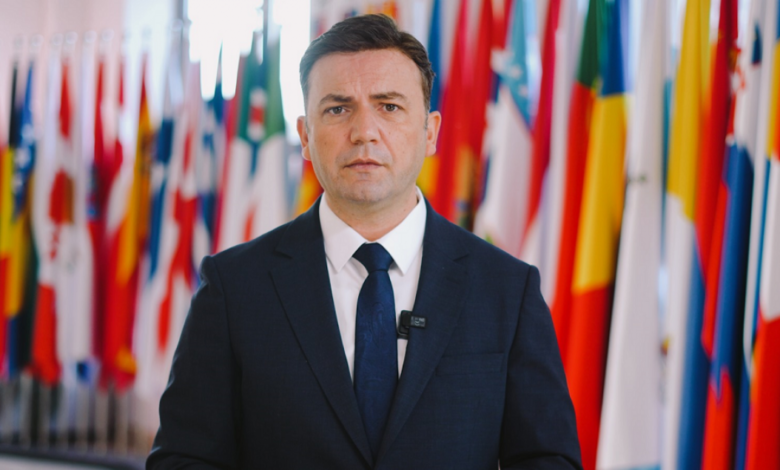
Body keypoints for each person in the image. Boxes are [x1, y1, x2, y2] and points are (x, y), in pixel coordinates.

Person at [147, 14, 581, 470]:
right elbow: (183, 459)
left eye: (389, 106)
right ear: (305, 137)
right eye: (338, 109)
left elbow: (547, 460)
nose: (364, 132)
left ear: (430, 132)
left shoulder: (507, 290)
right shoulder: (234, 287)